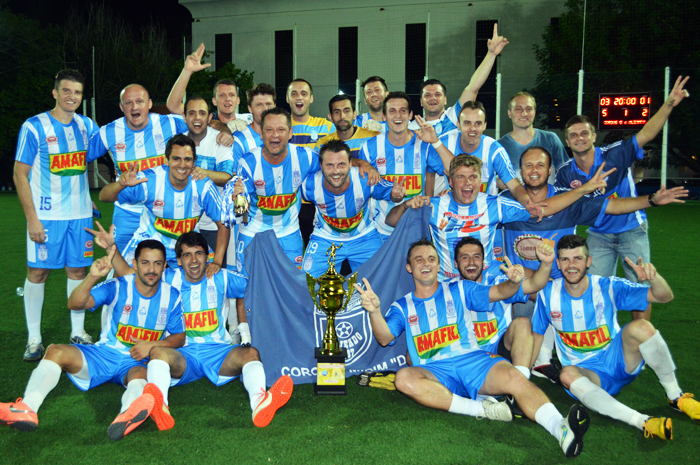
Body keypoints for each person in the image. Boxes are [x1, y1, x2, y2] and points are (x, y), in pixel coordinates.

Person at [354, 238, 590, 458]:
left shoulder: (460, 289)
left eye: (431, 259)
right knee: (404, 378)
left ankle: (561, 429)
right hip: (435, 371)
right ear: (409, 268)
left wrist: (513, 282)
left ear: (438, 266)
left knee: (515, 378)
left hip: (473, 361)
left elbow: (499, 292)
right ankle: (480, 409)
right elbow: (385, 338)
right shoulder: (401, 306)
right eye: (418, 260)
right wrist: (374, 311)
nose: (425, 264)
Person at [501, 146, 688, 379]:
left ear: (550, 170)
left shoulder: (568, 198)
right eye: (528, 165)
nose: (534, 170)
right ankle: (537, 361)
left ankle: (548, 358)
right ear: (520, 171)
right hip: (525, 284)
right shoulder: (506, 201)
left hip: (561, 286)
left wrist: (651, 200)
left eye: (540, 165)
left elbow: (612, 206)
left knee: (567, 307)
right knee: (521, 328)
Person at [94, 230, 294, 430]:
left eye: (199, 253)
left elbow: (255, 287)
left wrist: (293, 283)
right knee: (157, 352)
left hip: (218, 352)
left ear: (208, 256)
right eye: (187, 255)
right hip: (182, 354)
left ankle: (259, 402)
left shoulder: (221, 277)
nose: (194, 260)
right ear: (178, 261)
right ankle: (160, 406)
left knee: (251, 353)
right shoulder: (169, 278)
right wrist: (112, 248)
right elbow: (131, 274)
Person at [0, 240, 185, 440]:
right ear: (135, 263)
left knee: (143, 375)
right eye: (145, 263)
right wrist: (92, 277)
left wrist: (152, 345)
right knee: (56, 351)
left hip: (137, 361)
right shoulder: (118, 285)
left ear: (165, 265)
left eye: (157, 263)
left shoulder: (172, 296)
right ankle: (27, 407)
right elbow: (74, 303)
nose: (151, 269)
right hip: (104, 354)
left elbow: (179, 337)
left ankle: (127, 414)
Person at [532, 234, 700, 440]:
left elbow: (664, 296)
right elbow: (537, 335)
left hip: (619, 360)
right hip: (588, 374)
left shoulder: (608, 286)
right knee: (566, 374)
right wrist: (524, 375)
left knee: (642, 327)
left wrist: (653, 278)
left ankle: (676, 396)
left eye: (578, 258)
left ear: (589, 261)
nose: (571, 265)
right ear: (557, 263)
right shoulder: (547, 294)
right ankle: (642, 421)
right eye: (565, 259)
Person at [554, 76, 690, 321]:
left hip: (631, 229)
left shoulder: (615, 154)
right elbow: (565, 205)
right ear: (567, 141)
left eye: (584, 133)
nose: (579, 138)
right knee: (593, 288)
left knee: (641, 286)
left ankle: (643, 340)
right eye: (573, 135)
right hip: (597, 234)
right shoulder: (565, 173)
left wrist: (669, 103)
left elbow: (646, 133)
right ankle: (601, 340)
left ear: (594, 136)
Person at [385, 154, 611, 281]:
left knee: (535, 288)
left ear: (479, 181)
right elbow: (391, 220)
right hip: (445, 281)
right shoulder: (434, 205)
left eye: (473, 177)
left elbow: (541, 208)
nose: (467, 183)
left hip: (486, 280)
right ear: (451, 182)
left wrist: (583, 189)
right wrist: (406, 205)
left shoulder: (495, 205)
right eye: (460, 178)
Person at [14, 69, 100, 360]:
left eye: (76, 92)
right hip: (47, 218)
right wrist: (32, 218)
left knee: (78, 272)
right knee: (38, 273)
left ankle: (77, 331)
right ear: (55, 93)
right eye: (66, 91)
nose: (71, 96)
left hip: (80, 216)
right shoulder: (34, 126)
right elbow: (19, 174)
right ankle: (34, 338)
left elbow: (114, 142)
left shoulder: (87, 126)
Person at [99, 134, 229, 272]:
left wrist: (217, 262)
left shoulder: (204, 186)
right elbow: (103, 196)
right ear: (166, 160)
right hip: (149, 242)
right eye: (176, 159)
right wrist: (121, 184)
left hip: (186, 246)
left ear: (194, 162)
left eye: (188, 159)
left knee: (206, 281)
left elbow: (223, 224)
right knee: (126, 279)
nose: (182, 165)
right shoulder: (149, 180)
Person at [89, 84, 189, 254]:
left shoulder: (169, 124)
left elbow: (202, 125)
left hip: (162, 211)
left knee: (165, 266)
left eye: (139, 102)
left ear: (149, 104)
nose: (134, 107)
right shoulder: (109, 132)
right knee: (119, 266)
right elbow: (77, 158)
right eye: (128, 103)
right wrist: (83, 194)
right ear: (121, 107)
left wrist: (226, 129)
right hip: (127, 212)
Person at [454, 237, 555, 384]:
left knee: (522, 323)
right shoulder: (449, 290)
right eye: (465, 258)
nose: (471, 262)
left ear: (483, 262)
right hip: (469, 357)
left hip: (500, 351)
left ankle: (518, 388)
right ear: (456, 264)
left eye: (476, 257)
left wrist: (546, 264)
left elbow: (534, 284)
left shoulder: (499, 281)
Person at [358, 91, 455, 241]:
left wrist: (436, 142)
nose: (398, 116)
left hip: (415, 229)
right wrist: (388, 192)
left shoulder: (423, 143)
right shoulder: (369, 147)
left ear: (410, 115)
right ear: (384, 116)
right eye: (392, 111)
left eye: (403, 111)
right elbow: (363, 188)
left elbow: (453, 171)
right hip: (380, 231)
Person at [301, 140, 406, 277]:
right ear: (320, 166)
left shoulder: (364, 179)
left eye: (341, 164)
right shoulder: (308, 185)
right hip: (325, 238)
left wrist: (396, 195)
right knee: (307, 284)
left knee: (383, 279)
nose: (336, 171)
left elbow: (391, 192)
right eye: (330, 165)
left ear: (351, 163)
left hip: (364, 237)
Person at [408, 23, 508, 138]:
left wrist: (491, 55)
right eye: (427, 95)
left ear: (445, 100)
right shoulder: (411, 129)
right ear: (421, 101)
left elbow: (473, 88)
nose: (433, 98)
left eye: (437, 94)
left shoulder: (454, 116)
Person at [181, 94, 234, 256]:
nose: (197, 118)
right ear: (184, 117)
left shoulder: (219, 140)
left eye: (202, 113)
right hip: (185, 222)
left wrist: (205, 173)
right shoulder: (178, 143)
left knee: (214, 273)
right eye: (191, 113)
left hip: (213, 224)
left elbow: (227, 177)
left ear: (210, 117)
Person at [166, 43, 251, 134]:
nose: (227, 99)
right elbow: (173, 106)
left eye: (231, 95)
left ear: (238, 100)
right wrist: (187, 71)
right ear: (214, 101)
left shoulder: (248, 121)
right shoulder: (205, 118)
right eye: (222, 95)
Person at [498, 92, 567, 184]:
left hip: (549, 198)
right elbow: (488, 177)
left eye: (528, 109)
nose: (524, 113)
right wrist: (499, 182)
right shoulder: (499, 146)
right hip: (512, 199)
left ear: (534, 113)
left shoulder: (550, 139)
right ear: (509, 113)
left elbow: (565, 174)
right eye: (518, 109)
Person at [315, 95, 380, 158]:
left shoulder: (373, 137)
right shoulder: (322, 144)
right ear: (330, 117)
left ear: (354, 114)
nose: (342, 116)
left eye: (346, 111)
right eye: (337, 112)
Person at [286, 79, 334, 148]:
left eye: (304, 94)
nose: (299, 97)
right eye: (294, 94)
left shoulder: (326, 127)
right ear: (287, 98)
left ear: (311, 98)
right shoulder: (279, 127)